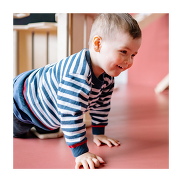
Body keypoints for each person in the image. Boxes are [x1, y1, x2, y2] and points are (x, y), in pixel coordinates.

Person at [13, 13, 142, 169]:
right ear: (98, 44)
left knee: (47, 128)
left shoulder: (107, 76)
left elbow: (101, 105)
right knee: (16, 133)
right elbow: (70, 113)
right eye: (123, 52)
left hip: (46, 109)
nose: (129, 61)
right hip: (22, 104)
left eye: (133, 55)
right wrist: (81, 152)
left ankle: (42, 123)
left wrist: (98, 133)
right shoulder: (76, 75)